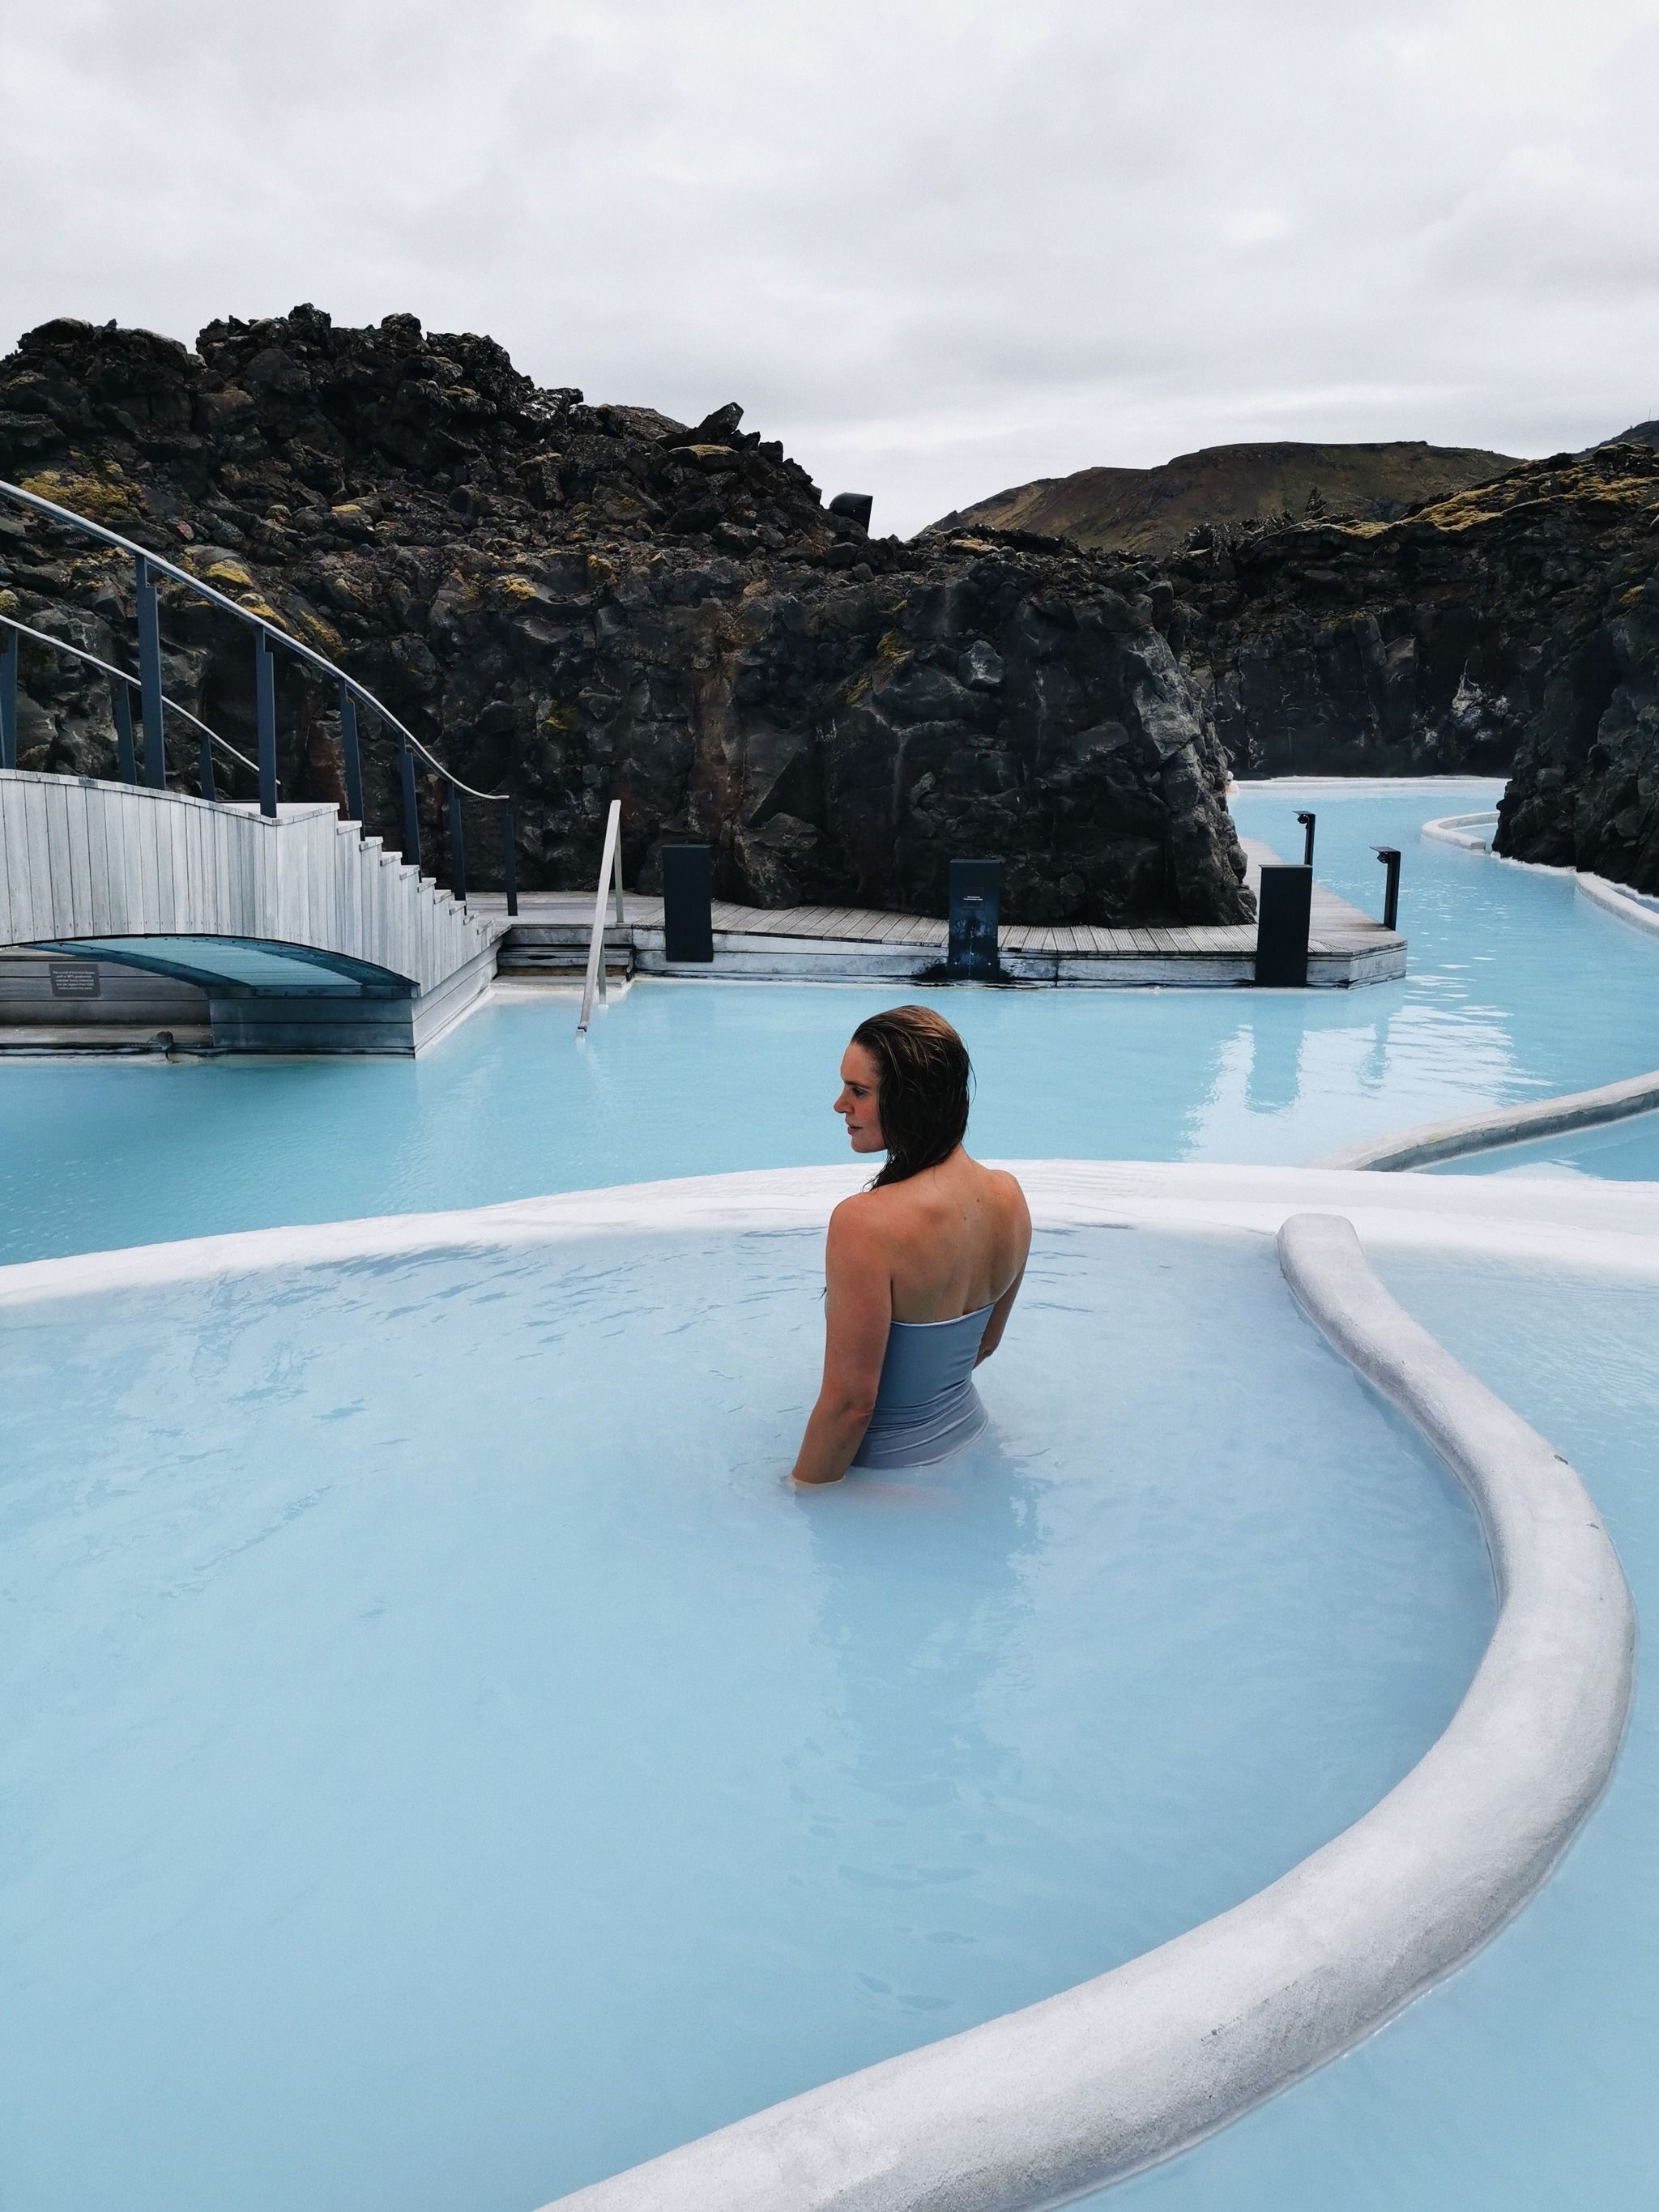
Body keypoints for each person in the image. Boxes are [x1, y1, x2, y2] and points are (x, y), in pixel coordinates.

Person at [789, 1004, 1030, 1487]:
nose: (840, 1105)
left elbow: (851, 1407)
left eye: (858, 1091)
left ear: (909, 1100)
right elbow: (984, 1344)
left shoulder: (865, 1224)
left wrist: (799, 1498)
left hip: (889, 1484)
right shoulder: (1009, 1196)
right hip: (972, 1444)